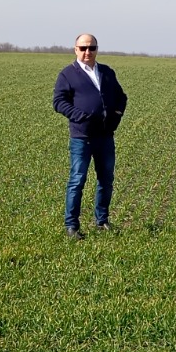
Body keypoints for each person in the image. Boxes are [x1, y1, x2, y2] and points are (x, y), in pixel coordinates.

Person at [52, 33, 127, 238]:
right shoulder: (67, 74)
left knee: (106, 180)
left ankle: (102, 221)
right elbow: (59, 102)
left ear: (96, 49)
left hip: (105, 137)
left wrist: (116, 115)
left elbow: (121, 97)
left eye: (91, 48)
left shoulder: (106, 72)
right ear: (76, 49)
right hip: (81, 138)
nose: (87, 52)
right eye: (83, 48)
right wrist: (80, 116)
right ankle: (72, 226)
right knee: (77, 180)